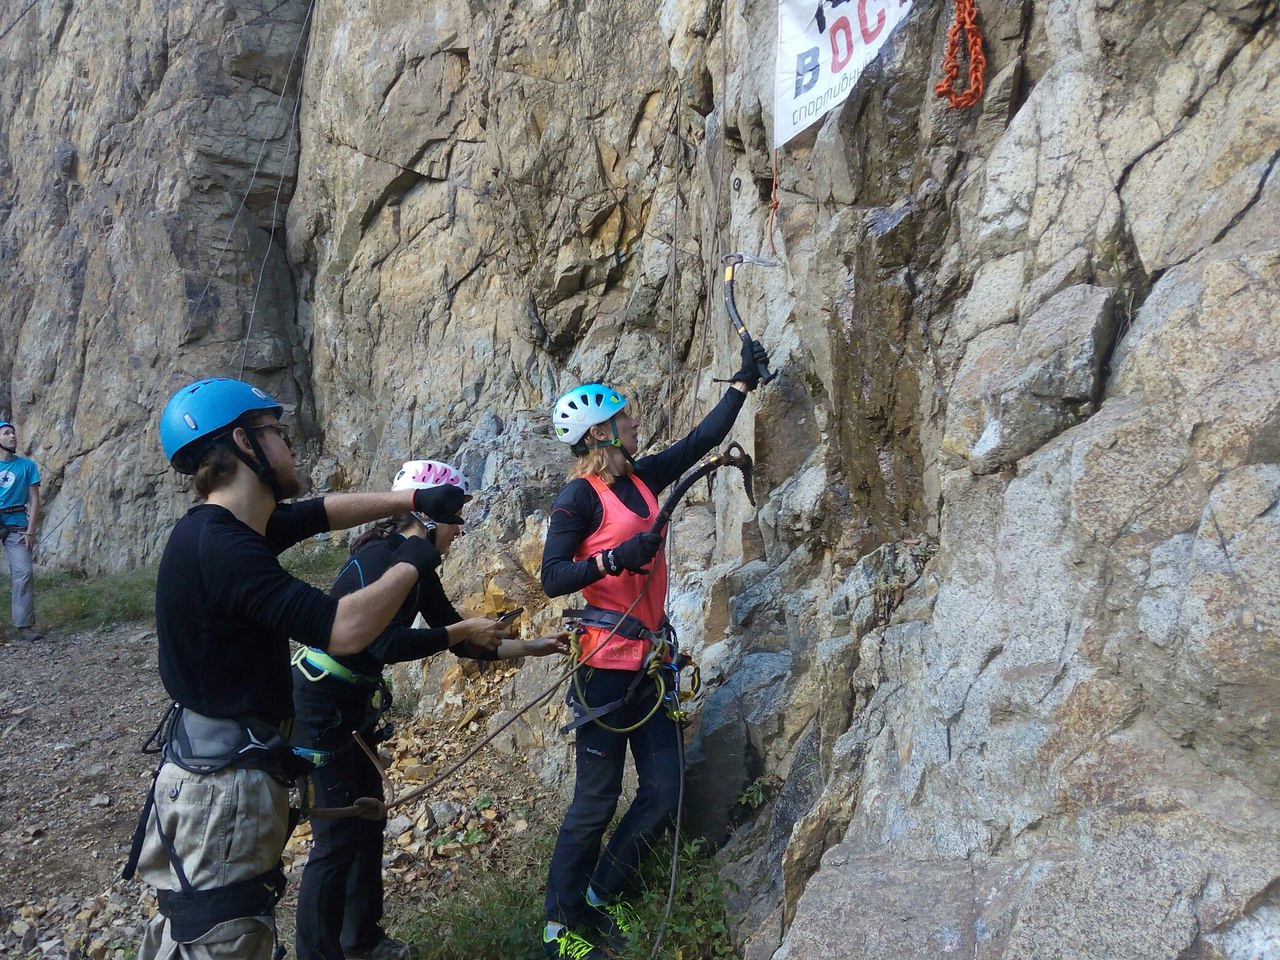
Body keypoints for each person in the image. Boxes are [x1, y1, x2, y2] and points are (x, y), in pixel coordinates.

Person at [128, 377, 468, 960]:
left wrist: (411, 501)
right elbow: (345, 628)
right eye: (276, 433)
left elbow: (317, 514)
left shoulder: (226, 528)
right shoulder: (225, 549)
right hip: (221, 787)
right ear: (244, 443)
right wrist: (416, 554)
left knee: (227, 928)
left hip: (224, 765)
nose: (289, 446)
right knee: (223, 939)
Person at [538, 337, 770, 959]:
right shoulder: (579, 497)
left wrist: (741, 384)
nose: (635, 423)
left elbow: (699, 442)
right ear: (600, 432)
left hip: (649, 663)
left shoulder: (640, 478)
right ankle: (559, 927)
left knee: (664, 792)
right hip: (603, 669)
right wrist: (614, 558)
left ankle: (600, 893)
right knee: (595, 802)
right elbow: (553, 576)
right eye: (625, 417)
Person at [292, 458, 569, 960]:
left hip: (347, 706)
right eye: (454, 517)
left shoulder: (419, 569)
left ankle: (361, 941)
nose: (459, 530)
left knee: (368, 819)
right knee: (335, 838)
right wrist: (462, 630)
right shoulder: (382, 560)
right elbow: (386, 643)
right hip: (320, 705)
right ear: (428, 516)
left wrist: (536, 647)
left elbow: (462, 642)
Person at [0, 420, 43, 641]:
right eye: (6, 433)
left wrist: (31, 530)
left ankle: (24, 626)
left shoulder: (27, 466)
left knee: (24, 572)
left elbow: (35, 500)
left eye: (13, 433)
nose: (12, 436)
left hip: (16, 524)